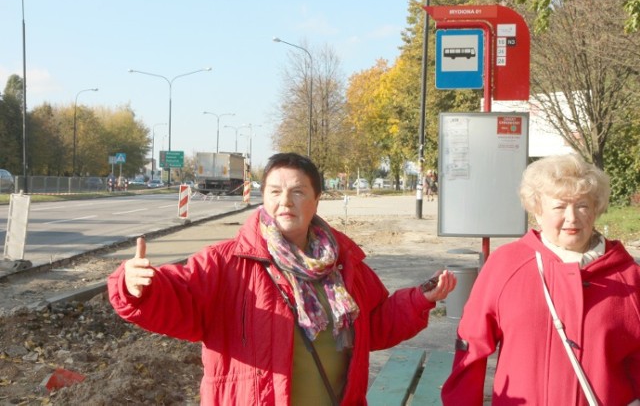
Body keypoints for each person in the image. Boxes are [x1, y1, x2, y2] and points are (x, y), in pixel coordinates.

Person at [108, 152, 457, 405]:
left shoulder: (345, 264)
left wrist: (419, 300)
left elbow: (374, 327)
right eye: (274, 192)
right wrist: (135, 285)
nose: (285, 201)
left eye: (298, 192)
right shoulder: (226, 263)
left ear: (316, 200)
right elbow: (179, 298)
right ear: (263, 199)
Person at [441, 154, 640, 405]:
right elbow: (471, 347)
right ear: (538, 210)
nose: (572, 217)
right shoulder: (506, 265)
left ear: (595, 209)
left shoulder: (629, 277)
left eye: (582, 205)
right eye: (559, 206)